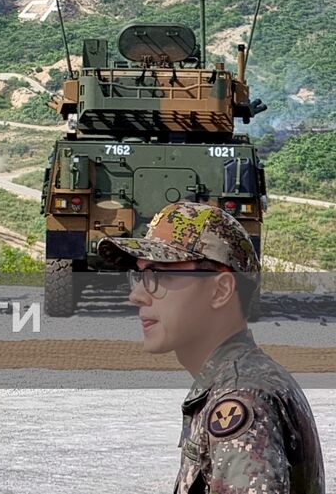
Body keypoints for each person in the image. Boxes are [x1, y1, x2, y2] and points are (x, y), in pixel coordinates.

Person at [99, 202, 324, 494]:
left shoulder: (242, 398)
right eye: (140, 276)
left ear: (220, 291)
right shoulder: (238, 381)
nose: (137, 295)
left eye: (161, 276)